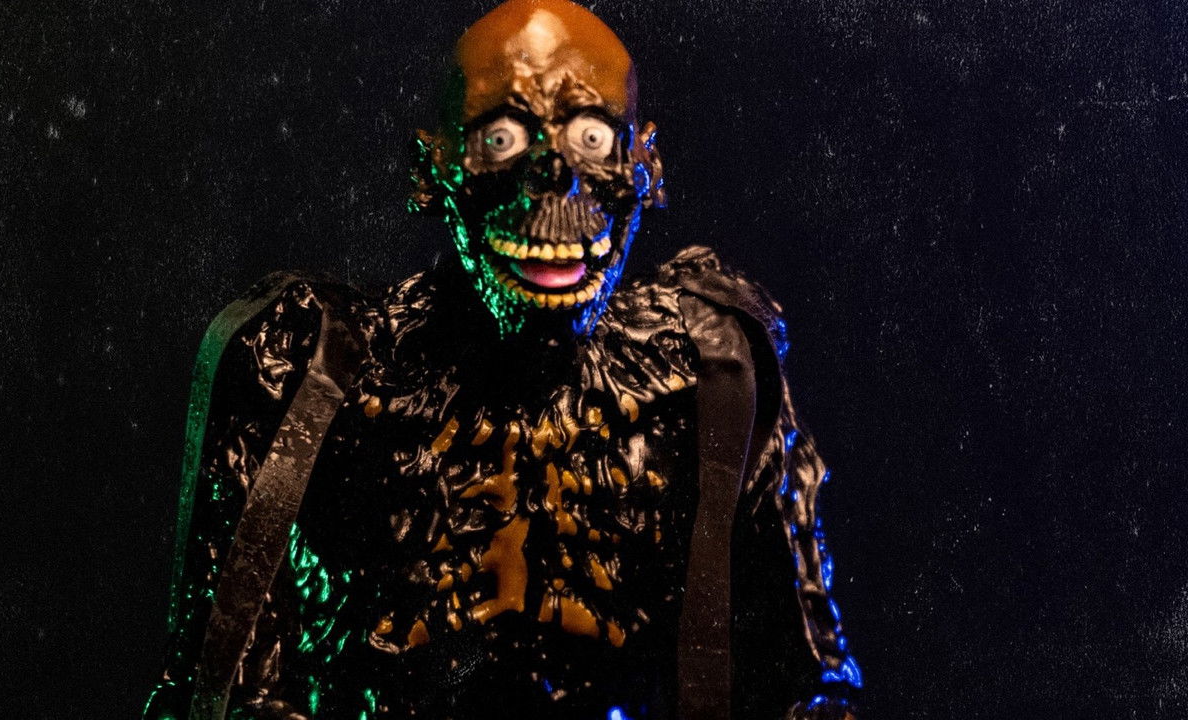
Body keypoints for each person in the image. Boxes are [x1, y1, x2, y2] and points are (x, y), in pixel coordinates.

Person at [144, 1, 862, 718]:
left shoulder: (713, 368)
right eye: (502, 138)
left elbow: (811, 688)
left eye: (591, 137)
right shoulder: (312, 365)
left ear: (646, 165)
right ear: (431, 170)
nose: (555, 176)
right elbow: (218, 694)